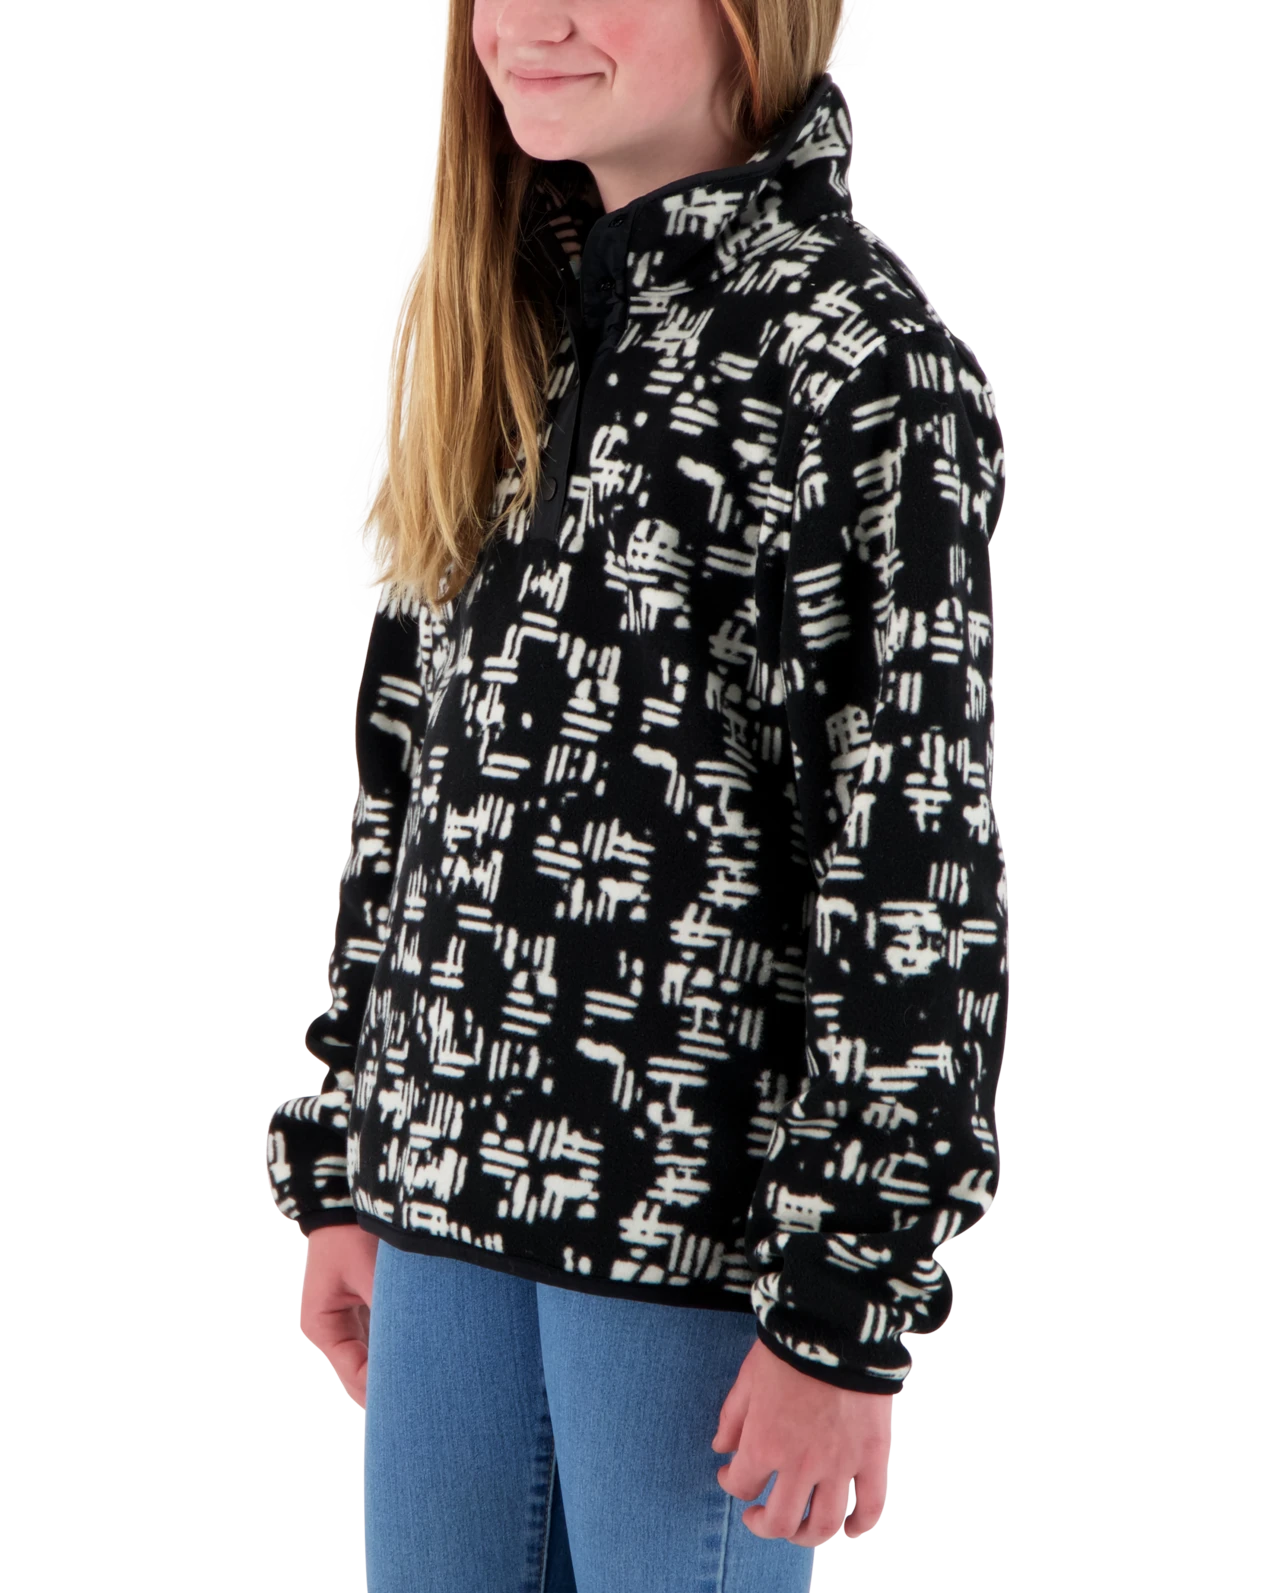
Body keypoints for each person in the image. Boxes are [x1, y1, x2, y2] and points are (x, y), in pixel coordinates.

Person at [266, 3, 1008, 1590]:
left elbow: (909, 860)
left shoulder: (850, 357)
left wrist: (847, 1306)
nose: (531, 22)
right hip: (442, 1216)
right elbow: (404, 796)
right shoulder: (505, 326)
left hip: (688, 1246)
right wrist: (348, 1160)